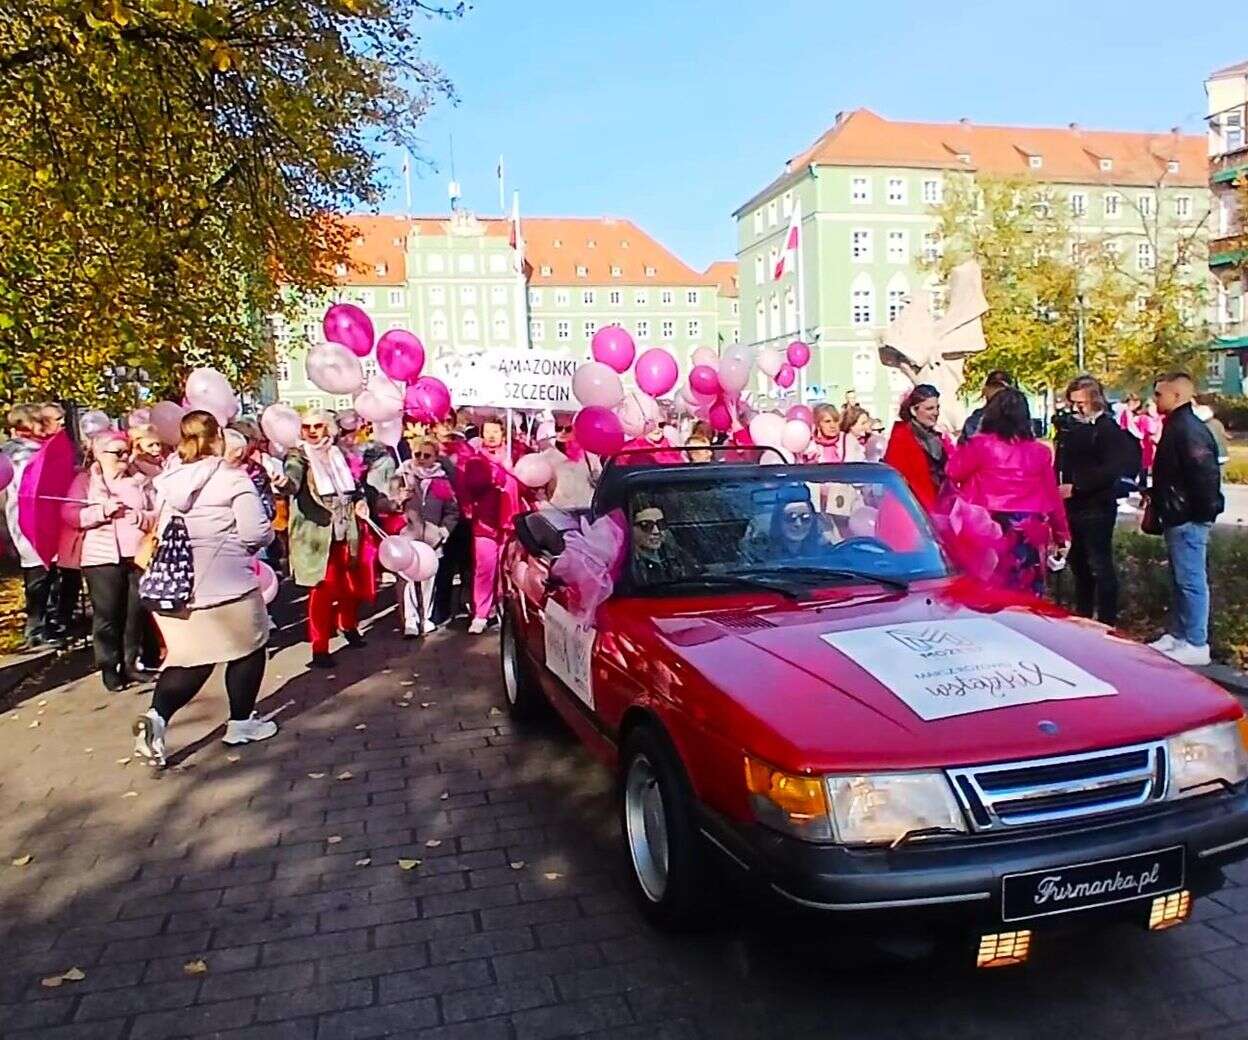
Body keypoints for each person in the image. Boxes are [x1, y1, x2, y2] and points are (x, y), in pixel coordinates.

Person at [132, 411, 276, 767]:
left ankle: (156, 719)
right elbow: (255, 532)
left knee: (189, 661)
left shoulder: (169, 479)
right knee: (248, 649)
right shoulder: (232, 479)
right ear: (218, 439)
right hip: (228, 584)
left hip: (177, 585)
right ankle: (241, 722)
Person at [947, 390, 1070, 594]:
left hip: (987, 523)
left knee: (985, 587)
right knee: (1025, 589)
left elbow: (953, 471)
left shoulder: (980, 445)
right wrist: (1061, 535)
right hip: (1028, 526)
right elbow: (1052, 498)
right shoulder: (1040, 452)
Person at [61, 430, 157, 690]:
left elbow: (157, 511)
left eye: (126, 451)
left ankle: (130, 663)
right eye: (117, 453)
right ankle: (108, 667)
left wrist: (143, 517)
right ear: (98, 454)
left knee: (135, 612)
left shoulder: (139, 479)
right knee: (108, 613)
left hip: (137, 554)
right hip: (101, 557)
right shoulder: (85, 482)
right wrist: (102, 511)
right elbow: (70, 514)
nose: (124, 457)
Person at [1147, 373, 1225, 666]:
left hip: (1187, 515)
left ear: (1176, 396)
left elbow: (1204, 474)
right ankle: (1180, 635)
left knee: (1191, 579)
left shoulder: (1187, 429)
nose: (1155, 401)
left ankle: (1195, 640)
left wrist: (1201, 513)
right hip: (1179, 512)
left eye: (1159, 394)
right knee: (1181, 578)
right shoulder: (1179, 427)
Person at [284, 410, 371, 667]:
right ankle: (319, 647)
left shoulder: (338, 454)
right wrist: (281, 483)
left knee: (349, 585)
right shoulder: (298, 457)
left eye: (318, 426)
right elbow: (291, 482)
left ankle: (350, 627)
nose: (312, 431)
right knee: (321, 589)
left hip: (346, 529)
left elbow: (355, 487)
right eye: (307, 426)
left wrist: (361, 501)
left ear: (328, 428)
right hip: (317, 534)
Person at [1055, 375, 1139, 626]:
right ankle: (1083, 611)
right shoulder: (1074, 428)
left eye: (1081, 402)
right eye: (1073, 403)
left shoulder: (1107, 429)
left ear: (1095, 400)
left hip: (1097, 504)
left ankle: (1107, 618)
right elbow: (1061, 462)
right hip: (1074, 503)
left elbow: (1110, 469)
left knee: (1099, 563)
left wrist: (1078, 487)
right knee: (1078, 561)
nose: (1076, 408)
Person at [1, 403, 65, 649]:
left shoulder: (39, 448)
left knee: (49, 571)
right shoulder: (17, 453)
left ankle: (48, 622)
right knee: (38, 571)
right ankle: (36, 627)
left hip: (47, 515)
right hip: (28, 518)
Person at [460, 417, 525, 634]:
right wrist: (495, 473)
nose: (491, 436)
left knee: (507, 569)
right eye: (486, 431)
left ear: (503, 433)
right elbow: (471, 486)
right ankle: (480, 613)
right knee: (485, 569)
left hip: (510, 522)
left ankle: (504, 609)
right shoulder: (475, 460)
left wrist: (512, 469)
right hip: (486, 523)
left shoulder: (515, 456)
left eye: (495, 431)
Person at [397, 439, 460, 636]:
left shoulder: (441, 481)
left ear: (435, 458)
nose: (422, 459)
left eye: (427, 455)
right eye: (418, 455)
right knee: (407, 579)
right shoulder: (403, 477)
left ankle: (425, 617)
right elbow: (384, 504)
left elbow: (452, 511)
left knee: (427, 579)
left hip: (432, 539)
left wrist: (444, 531)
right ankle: (410, 620)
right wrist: (398, 500)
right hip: (408, 536)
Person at [883, 385, 953, 512]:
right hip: (913, 512)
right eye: (929, 408)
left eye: (937, 408)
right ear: (914, 411)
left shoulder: (937, 437)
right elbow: (897, 484)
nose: (936, 413)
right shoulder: (901, 438)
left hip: (940, 510)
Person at [630, 499, 696, 583]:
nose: (656, 531)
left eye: (661, 524)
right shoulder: (628, 565)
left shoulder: (673, 552)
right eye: (646, 525)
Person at [959, 370, 1014, 443]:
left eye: (1002, 389)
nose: (997, 392)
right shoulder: (973, 422)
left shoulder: (1020, 420)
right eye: (994, 387)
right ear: (985, 390)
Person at [1193, 399, 1230, 471]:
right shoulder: (1217, 422)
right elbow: (1224, 435)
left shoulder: (1199, 426)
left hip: (1209, 456)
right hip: (1222, 455)